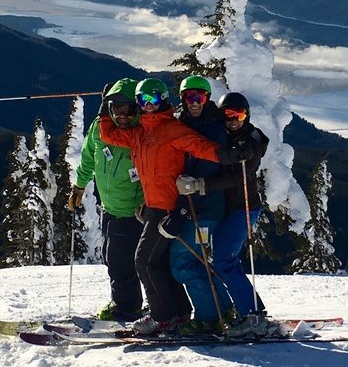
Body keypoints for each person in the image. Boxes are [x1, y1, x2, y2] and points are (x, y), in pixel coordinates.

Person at [99, 78, 253, 335]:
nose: (149, 106)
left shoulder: (171, 129)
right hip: (155, 208)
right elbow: (108, 134)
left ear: (164, 100)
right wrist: (105, 106)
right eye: (143, 101)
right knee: (158, 262)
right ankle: (178, 312)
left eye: (154, 100)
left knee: (144, 261)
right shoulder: (139, 133)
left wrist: (231, 156)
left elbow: (201, 147)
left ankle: (163, 317)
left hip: (169, 209)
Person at [175, 91, 270, 337]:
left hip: (243, 209)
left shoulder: (250, 140)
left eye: (239, 115)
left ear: (247, 115)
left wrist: (202, 185)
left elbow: (239, 175)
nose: (233, 120)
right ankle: (239, 311)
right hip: (224, 211)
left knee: (225, 261)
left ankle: (253, 315)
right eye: (228, 115)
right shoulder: (225, 136)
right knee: (215, 261)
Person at [68, 78, 145, 322]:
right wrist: (79, 186)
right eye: (116, 108)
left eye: (129, 109)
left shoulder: (142, 134)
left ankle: (127, 307)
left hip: (133, 211)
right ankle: (129, 303)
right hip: (109, 207)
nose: (122, 115)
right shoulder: (99, 129)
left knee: (121, 261)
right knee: (110, 255)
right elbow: (89, 158)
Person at [170, 75, 234, 333]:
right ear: (183, 98)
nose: (194, 102)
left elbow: (209, 165)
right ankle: (224, 311)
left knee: (184, 262)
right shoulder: (183, 122)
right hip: (192, 205)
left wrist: (191, 189)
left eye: (200, 97)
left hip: (205, 208)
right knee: (198, 262)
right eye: (189, 97)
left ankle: (209, 318)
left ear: (207, 99)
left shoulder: (214, 127)